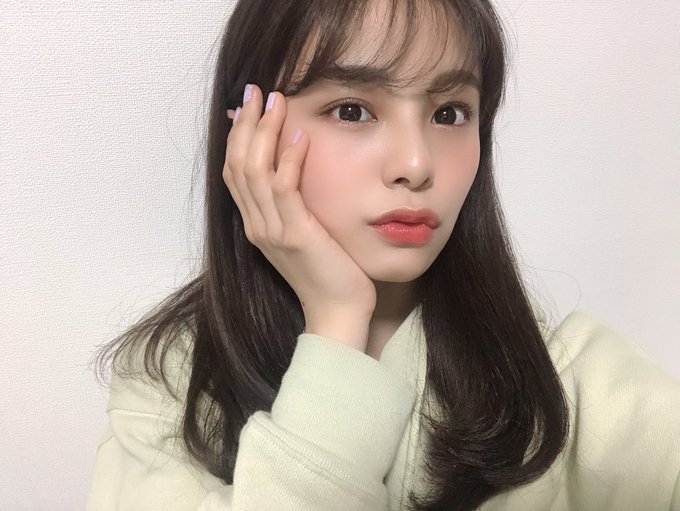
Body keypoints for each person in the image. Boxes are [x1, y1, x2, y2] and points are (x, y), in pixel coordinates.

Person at [87, 0, 680, 509]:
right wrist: (338, 319)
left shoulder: (577, 384)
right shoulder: (171, 382)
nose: (416, 164)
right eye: (352, 110)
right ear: (250, 131)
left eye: (450, 113)